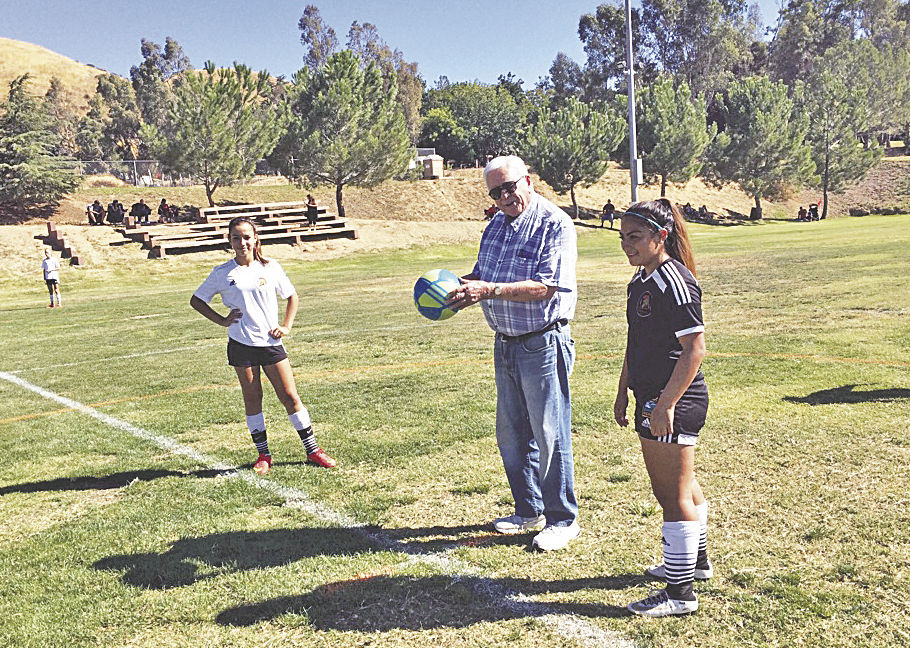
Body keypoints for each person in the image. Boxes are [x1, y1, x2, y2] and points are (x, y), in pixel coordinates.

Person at [446, 155, 580, 552]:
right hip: (504, 342)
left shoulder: (554, 224)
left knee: (550, 432)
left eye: (510, 187)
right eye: (496, 192)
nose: (505, 197)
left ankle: (563, 519)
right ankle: (529, 510)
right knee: (512, 434)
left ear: (528, 181)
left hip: (542, 341)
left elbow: (546, 286)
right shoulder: (494, 227)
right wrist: (454, 287)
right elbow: (482, 274)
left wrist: (487, 290)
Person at [614, 198, 712, 617]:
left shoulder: (677, 281)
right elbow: (635, 344)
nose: (627, 246)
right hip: (650, 395)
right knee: (682, 487)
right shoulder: (641, 281)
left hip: (673, 399)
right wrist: (623, 391)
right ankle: (697, 563)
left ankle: (679, 594)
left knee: (670, 495)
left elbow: (695, 350)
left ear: (660, 236)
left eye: (634, 237)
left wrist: (665, 404)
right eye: (623, 238)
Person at [190, 216, 336, 474]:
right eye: (236, 238)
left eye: (247, 237)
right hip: (240, 344)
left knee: (290, 397)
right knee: (253, 398)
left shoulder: (270, 267)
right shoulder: (222, 273)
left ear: (255, 238)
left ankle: (313, 450)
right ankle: (263, 455)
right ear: (229, 240)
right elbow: (197, 300)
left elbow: (292, 296)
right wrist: (223, 321)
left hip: (270, 343)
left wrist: (286, 325)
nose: (242, 242)